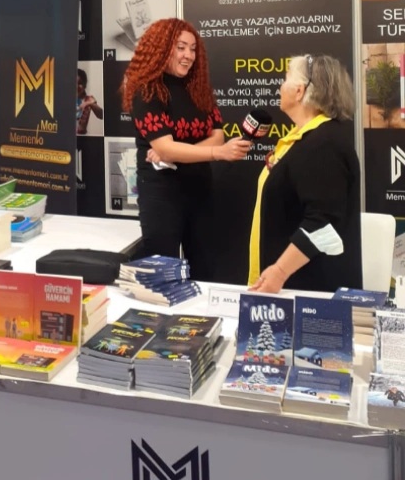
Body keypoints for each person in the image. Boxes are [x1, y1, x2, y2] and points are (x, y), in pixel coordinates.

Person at [121, 18, 250, 279]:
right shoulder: (146, 90)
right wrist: (215, 153)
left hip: (200, 188)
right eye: (180, 48)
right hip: (162, 192)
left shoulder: (198, 88)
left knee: (204, 267)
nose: (188, 55)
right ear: (161, 49)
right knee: (162, 270)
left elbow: (217, 136)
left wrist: (175, 152)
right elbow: (166, 148)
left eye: (192, 49)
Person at [249, 54, 362, 294]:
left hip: (311, 294)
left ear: (299, 91)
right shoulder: (304, 139)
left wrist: (280, 271)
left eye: (285, 79)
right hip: (294, 288)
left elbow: (322, 223)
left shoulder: (324, 144)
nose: (280, 87)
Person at [76, 67, 103, 135]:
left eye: (80, 83)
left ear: (85, 85)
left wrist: (88, 103)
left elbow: (101, 115)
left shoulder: (89, 99)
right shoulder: (66, 98)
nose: (77, 86)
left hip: (82, 135)